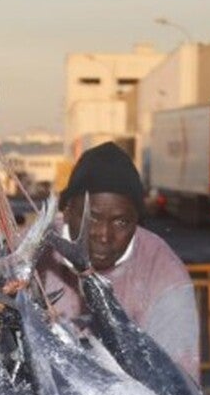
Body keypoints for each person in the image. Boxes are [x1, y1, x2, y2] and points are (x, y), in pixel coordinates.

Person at [41, 141, 201, 381]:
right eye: (91, 218)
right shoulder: (29, 255)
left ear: (137, 220)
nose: (103, 235)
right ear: (68, 209)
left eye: (121, 223)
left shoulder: (164, 274)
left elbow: (179, 381)